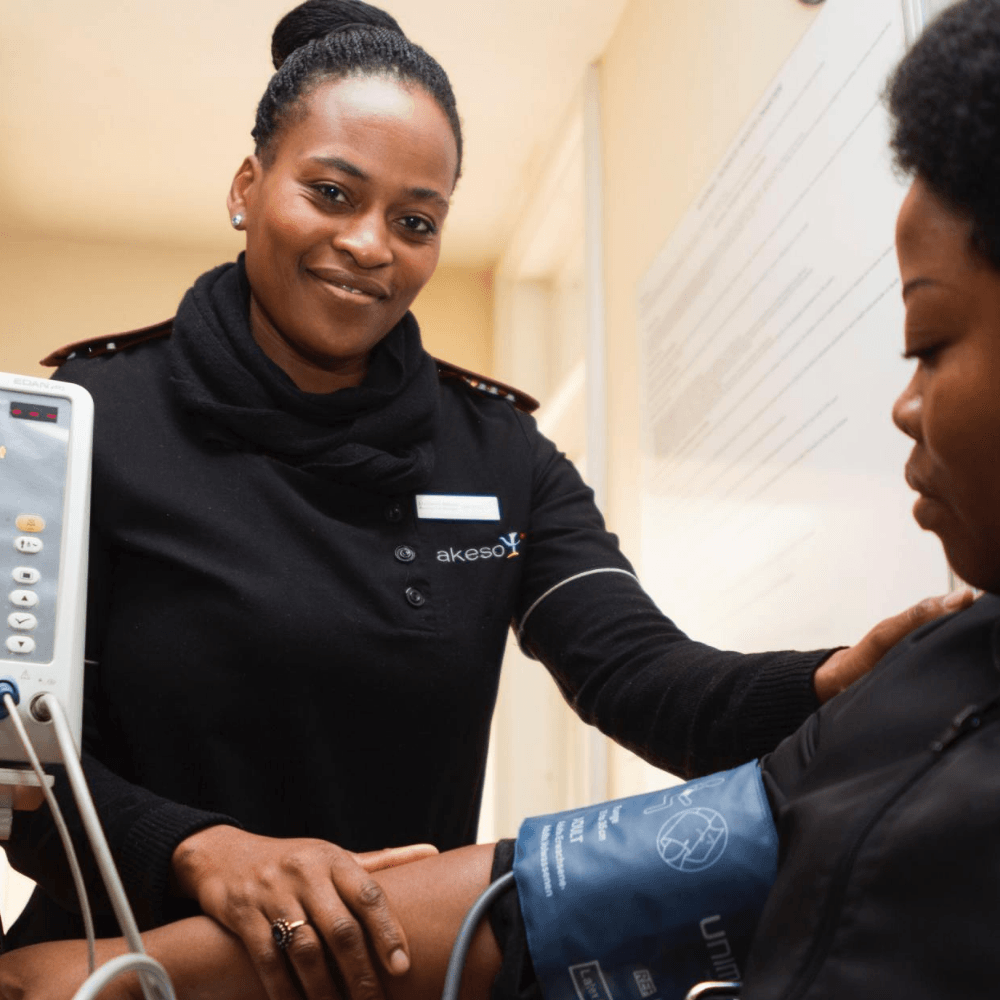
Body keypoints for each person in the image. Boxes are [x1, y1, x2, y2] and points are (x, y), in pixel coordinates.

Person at [0, 2, 967, 999]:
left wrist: (830, 683)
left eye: (414, 221)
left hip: (383, 973)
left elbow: (644, 678)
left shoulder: (499, 453)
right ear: (248, 187)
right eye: (332, 193)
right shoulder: (88, 422)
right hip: (105, 969)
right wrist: (200, 849)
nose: (369, 244)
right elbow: (15, 755)